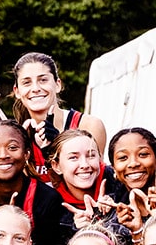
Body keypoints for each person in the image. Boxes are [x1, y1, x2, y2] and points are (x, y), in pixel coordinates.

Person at [9, 52, 107, 183]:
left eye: (43, 80)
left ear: (57, 84)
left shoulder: (88, 125)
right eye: (27, 83)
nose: (36, 88)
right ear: (17, 91)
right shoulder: (18, 135)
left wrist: (57, 146)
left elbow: (93, 181)